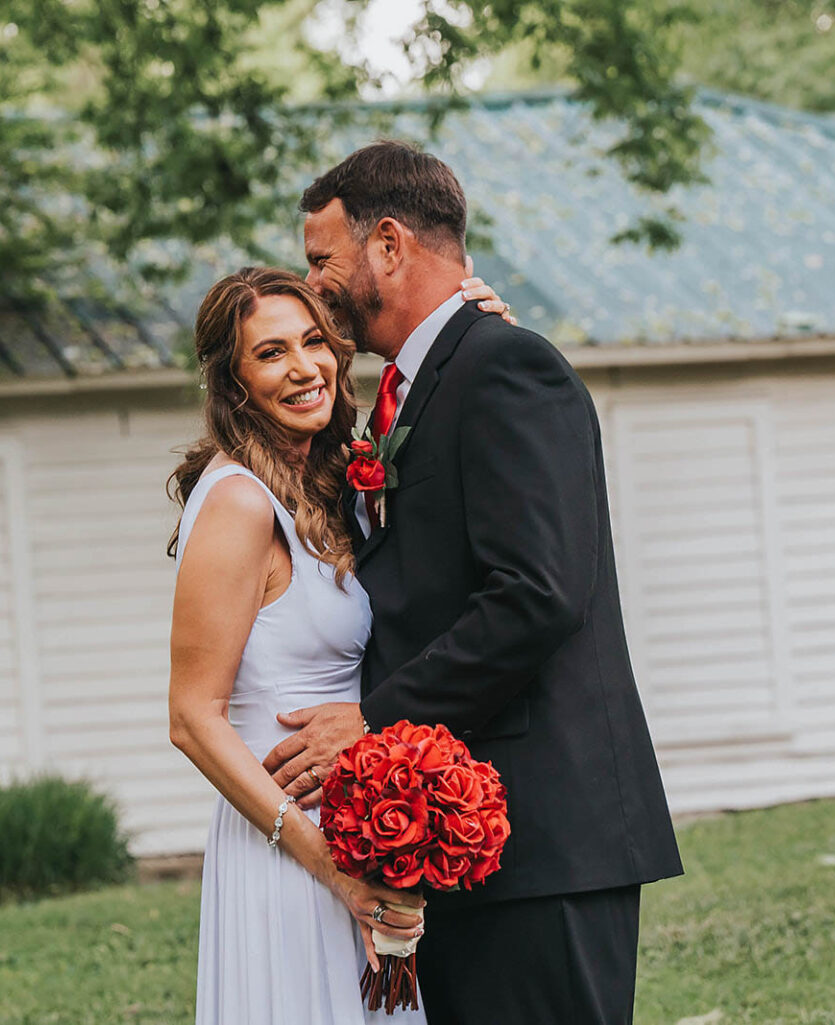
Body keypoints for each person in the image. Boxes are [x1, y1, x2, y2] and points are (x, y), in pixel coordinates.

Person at [260, 141, 684, 1025]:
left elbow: (538, 591)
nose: (314, 284)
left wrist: (373, 720)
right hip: (461, 836)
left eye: (320, 260)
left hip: (544, 836)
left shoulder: (505, 368)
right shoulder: (414, 390)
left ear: (386, 244)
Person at [167, 265, 513, 1024]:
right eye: (270, 353)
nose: (303, 368)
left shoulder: (325, 488)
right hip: (286, 844)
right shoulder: (237, 503)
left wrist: (483, 331)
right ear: (234, 383)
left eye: (314, 343)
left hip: (358, 829)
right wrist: (331, 869)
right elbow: (193, 717)